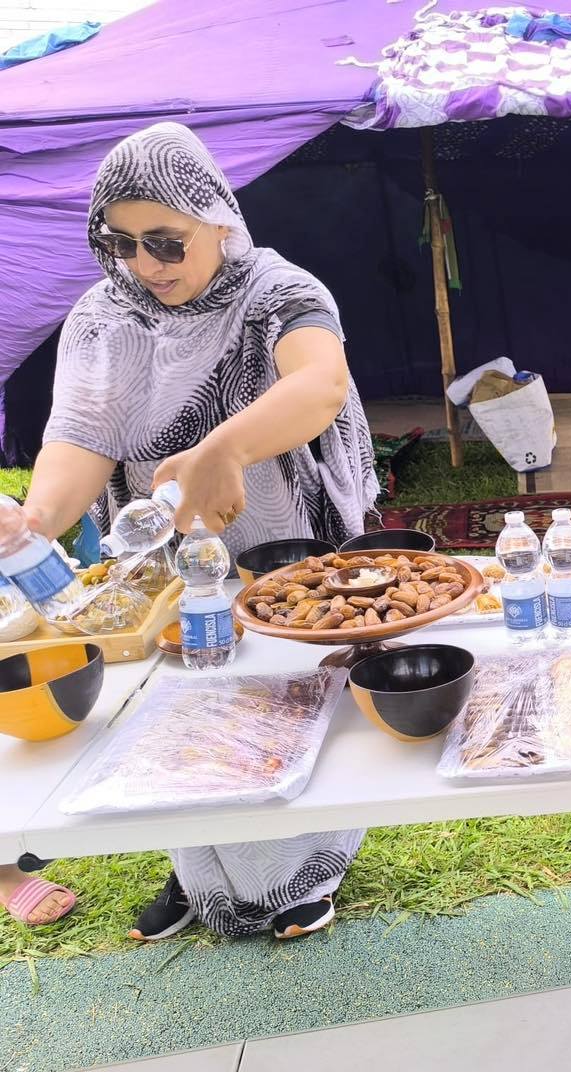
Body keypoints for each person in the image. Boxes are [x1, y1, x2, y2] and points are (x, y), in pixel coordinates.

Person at [20, 121, 380, 942]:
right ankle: (202, 873)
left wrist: (224, 448)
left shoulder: (279, 290)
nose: (145, 265)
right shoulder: (104, 316)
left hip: (285, 545)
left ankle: (304, 873)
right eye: (122, 244)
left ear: (218, 217)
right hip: (171, 562)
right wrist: (34, 521)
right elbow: (79, 439)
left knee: (284, 699)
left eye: (166, 242)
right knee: (182, 709)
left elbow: (321, 384)